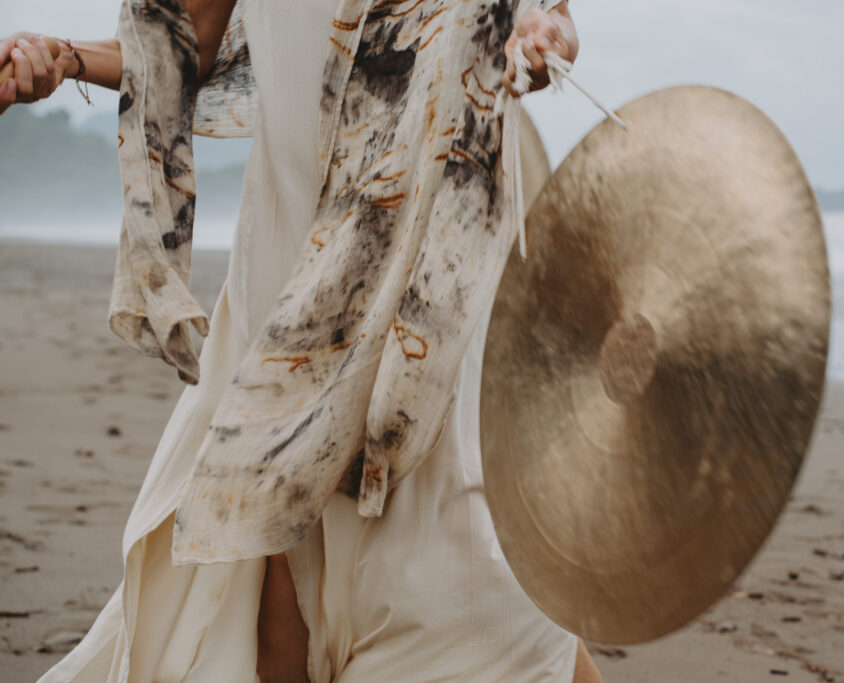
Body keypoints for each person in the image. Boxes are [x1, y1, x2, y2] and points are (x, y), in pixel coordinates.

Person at [0, 1, 604, 681]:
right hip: (296, 269)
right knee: (281, 584)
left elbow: (552, 19)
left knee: (493, 582)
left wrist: (547, 37)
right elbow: (186, 45)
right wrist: (65, 57)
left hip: (444, 272)